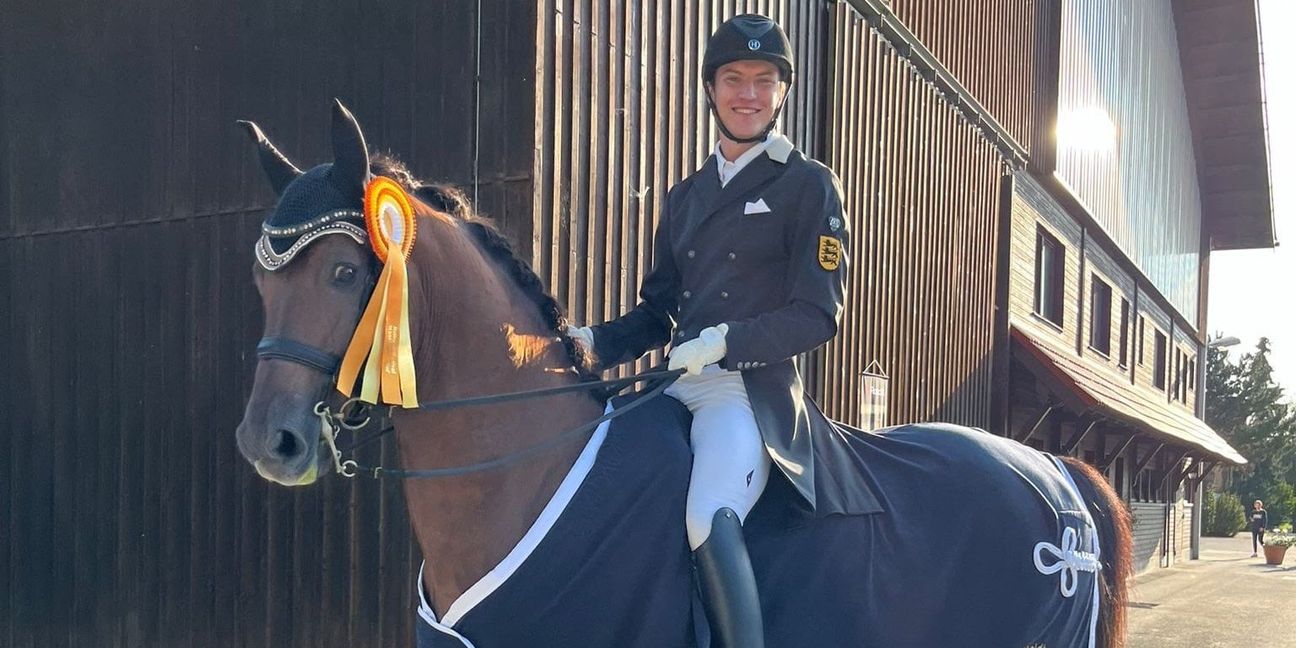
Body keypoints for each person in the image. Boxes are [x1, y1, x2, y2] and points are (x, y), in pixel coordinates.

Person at [568, 14, 850, 647]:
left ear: (781, 92)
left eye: (762, 79)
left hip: (747, 394)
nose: (746, 93)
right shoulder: (686, 195)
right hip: (675, 386)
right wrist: (594, 341)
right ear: (711, 88)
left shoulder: (808, 185)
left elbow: (817, 313)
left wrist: (727, 343)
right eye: (732, 78)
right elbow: (657, 313)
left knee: (706, 514)